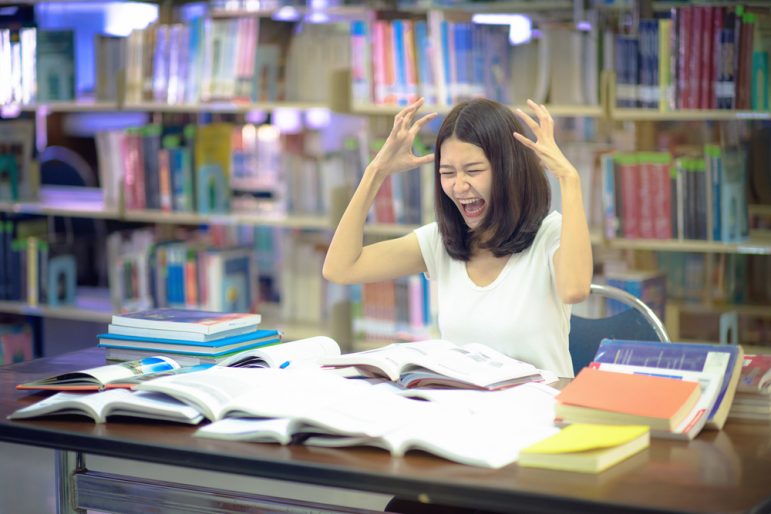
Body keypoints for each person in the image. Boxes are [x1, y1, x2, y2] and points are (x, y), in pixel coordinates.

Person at [323, 97, 593, 379]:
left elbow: (574, 289)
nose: (460, 186)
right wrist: (375, 173)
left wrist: (569, 179)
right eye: (447, 172)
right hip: (465, 412)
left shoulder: (549, 234)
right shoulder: (442, 241)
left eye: (474, 171)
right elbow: (340, 268)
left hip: (541, 414)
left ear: (509, 170)